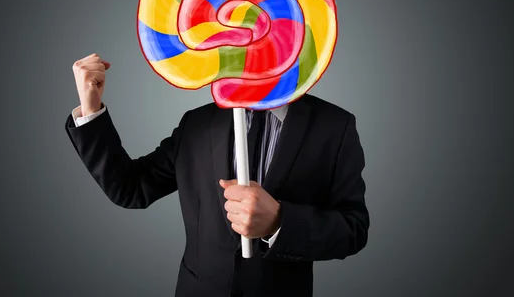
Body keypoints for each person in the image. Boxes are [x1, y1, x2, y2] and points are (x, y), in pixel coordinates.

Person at [65, 53, 370, 297]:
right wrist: (90, 110)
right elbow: (131, 189)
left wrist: (280, 222)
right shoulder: (196, 124)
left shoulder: (335, 127)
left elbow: (353, 229)